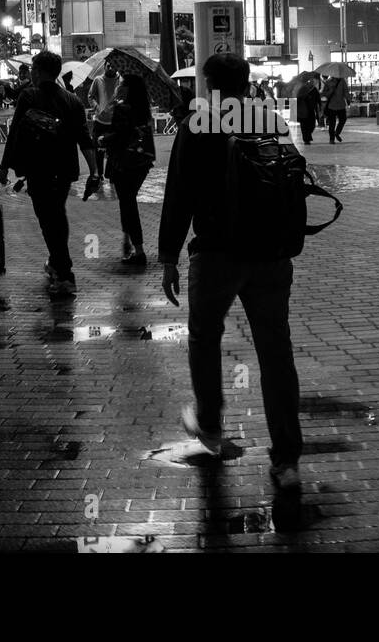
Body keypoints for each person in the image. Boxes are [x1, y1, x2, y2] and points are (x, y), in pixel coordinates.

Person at [158, 53, 304, 492]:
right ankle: (286, 459)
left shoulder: (198, 122)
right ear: (244, 83)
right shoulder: (268, 118)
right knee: (276, 352)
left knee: (204, 336)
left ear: (208, 84)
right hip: (271, 255)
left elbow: (178, 193)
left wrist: (168, 256)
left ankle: (210, 425)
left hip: (218, 254)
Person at [0, 50, 99, 297]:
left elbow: (15, 134)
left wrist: (4, 166)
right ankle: (56, 265)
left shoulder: (29, 96)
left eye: (33, 69)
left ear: (40, 71)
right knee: (56, 215)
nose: (30, 73)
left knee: (48, 220)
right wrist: (95, 171)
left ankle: (65, 273)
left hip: (39, 169)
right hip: (64, 170)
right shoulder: (72, 100)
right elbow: (84, 139)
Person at [99, 73, 156, 266]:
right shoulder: (143, 109)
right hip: (142, 161)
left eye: (122, 83)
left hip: (125, 163)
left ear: (128, 88)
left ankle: (137, 249)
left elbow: (120, 135)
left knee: (128, 204)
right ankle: (128, 242)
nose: (119, 85)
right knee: (127, 201)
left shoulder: (122, 108)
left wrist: (103, 139)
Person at [90, 63, 120, 180]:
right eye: (108, 66)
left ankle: (111, 174)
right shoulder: (98, 80)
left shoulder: (120, 80)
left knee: (113, 151)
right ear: (104, 67)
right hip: (100, 121)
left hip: (115, 122)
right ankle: (100, 175)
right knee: (98, 150)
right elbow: (90, 96)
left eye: (113, 66)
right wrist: (97, 108)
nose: (111, 68)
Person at [294, 73, 321, 145]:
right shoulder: (302, 88)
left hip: (311, 110)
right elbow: (298, 99)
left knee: (312, 125)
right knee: (304, 125)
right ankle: (306, 139)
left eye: (313, 80)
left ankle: (308, 135)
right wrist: (304, 96)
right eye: (311, 81)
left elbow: (318, 98)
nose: (312, 82)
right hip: (304, 110)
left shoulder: (314, 89)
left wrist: (320, 105)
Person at [322, 74, 348, 144]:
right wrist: (330, 91)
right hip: (332, 105)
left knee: (343, 119)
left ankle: (337, 133)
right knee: (332, 123)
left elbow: (346, 91)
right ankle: (331, 139)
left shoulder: (342, 81)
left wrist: (347, 99)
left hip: (340, 105)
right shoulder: (328, 82)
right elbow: (324, 94)